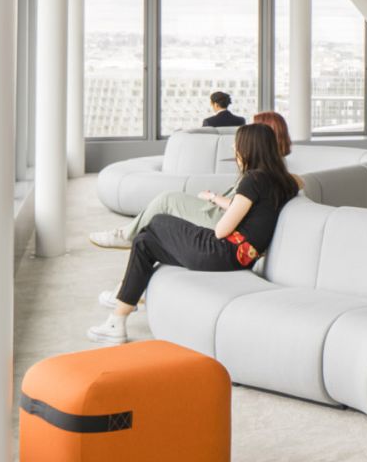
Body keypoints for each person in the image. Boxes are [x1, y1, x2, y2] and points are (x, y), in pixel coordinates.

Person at [87, 124, 298, 343]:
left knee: (158, 221)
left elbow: (221, 230)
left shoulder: (253, 179)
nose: (234, 149)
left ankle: (122, 292)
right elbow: (254, 209)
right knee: (144, 241)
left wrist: (217, 211)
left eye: (237, 144)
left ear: (249, 148)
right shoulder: (283, 181)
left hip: (222, 252)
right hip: (237, 257)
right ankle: (117, 320)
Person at [88, 112, 298, 251]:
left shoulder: (258, 177)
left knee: (166, 201)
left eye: (238, 143)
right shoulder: (272, 173)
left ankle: (125, 236)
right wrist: (214, 197)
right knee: (162, 214)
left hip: (222, 224)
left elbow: (226, 224)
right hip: (224, 215)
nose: (234, 148)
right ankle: (128, 244)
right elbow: (243, 204)